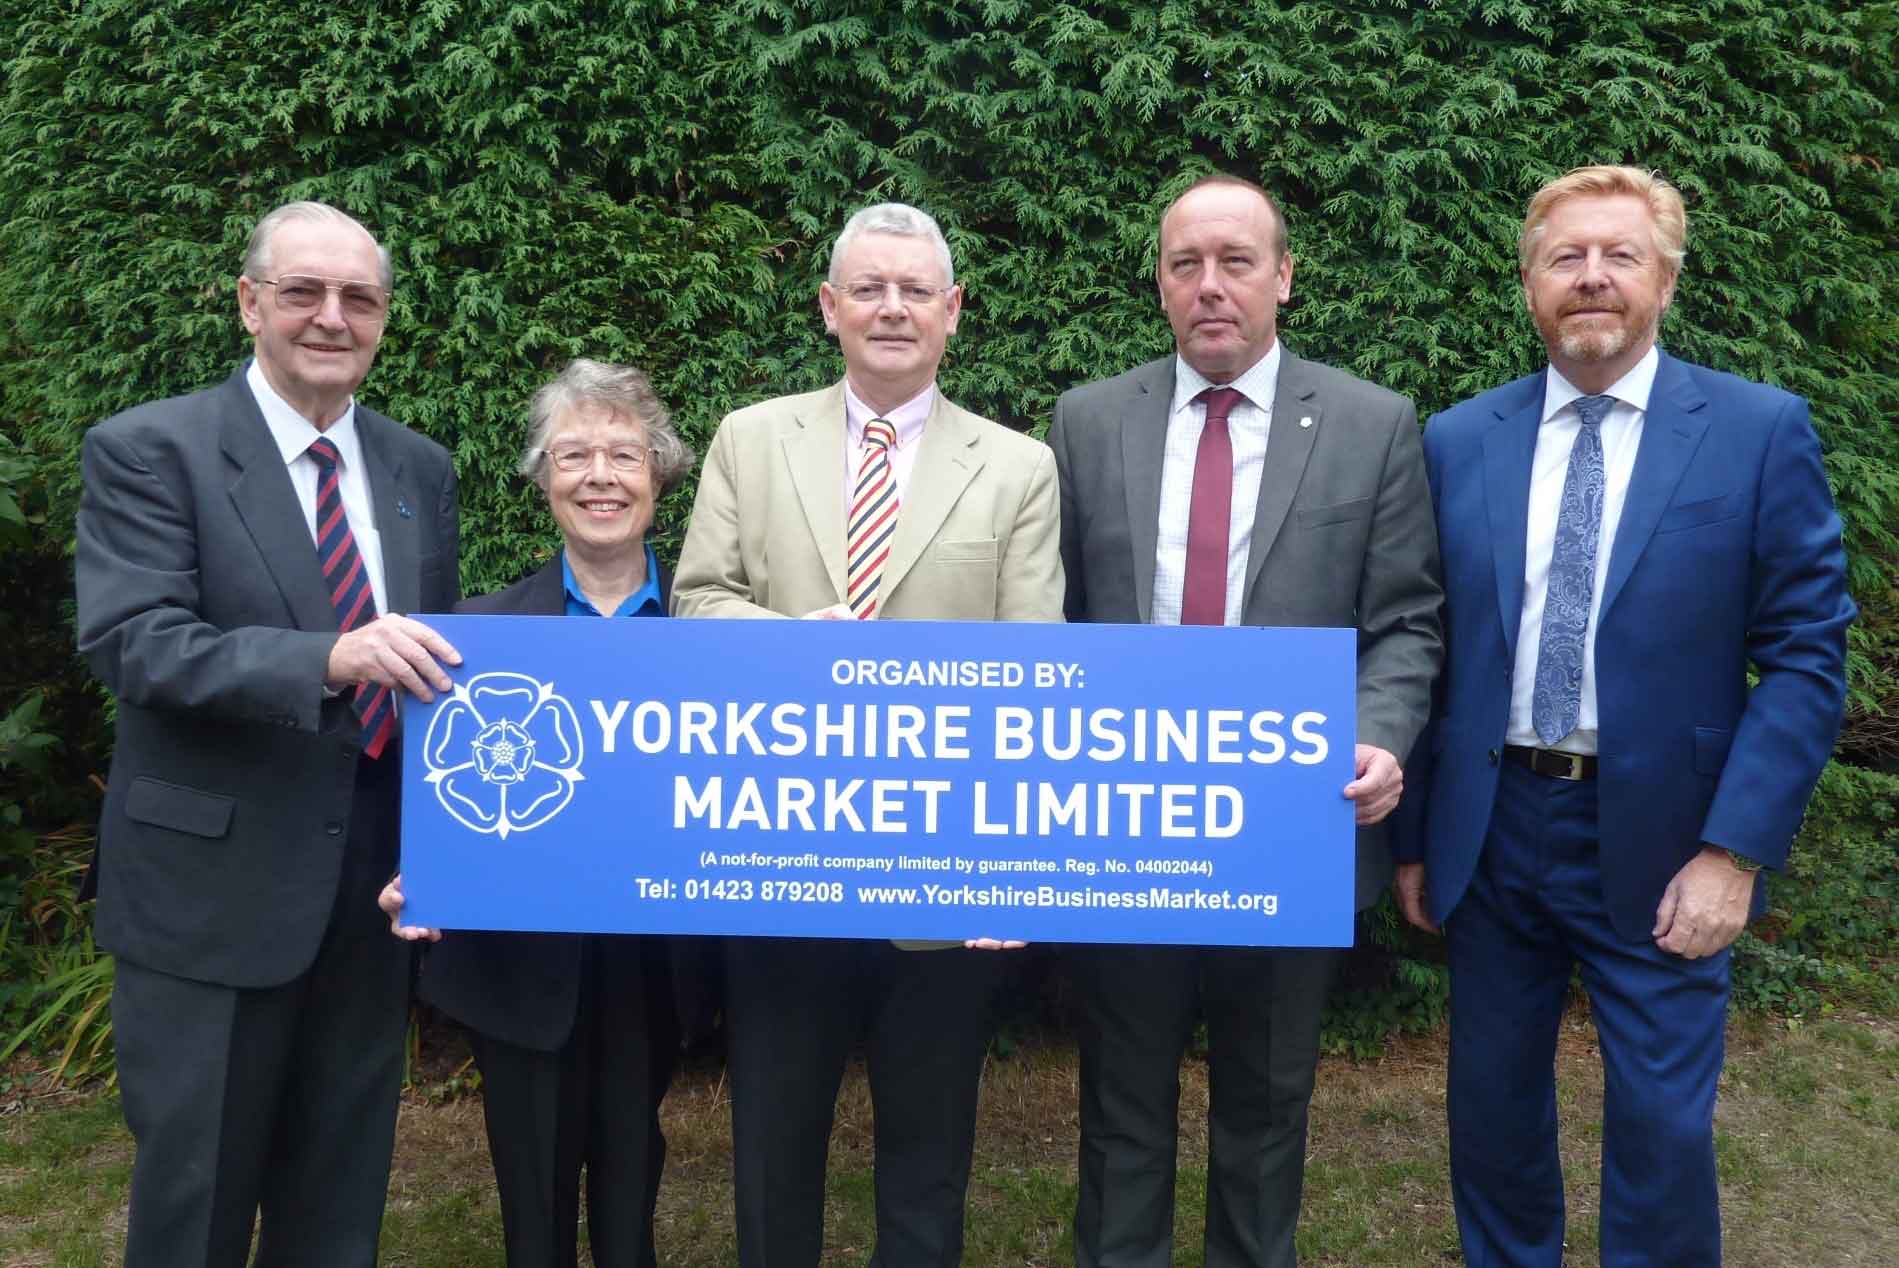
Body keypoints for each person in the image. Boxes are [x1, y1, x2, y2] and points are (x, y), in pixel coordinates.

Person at [1389, 165, 1855, 1267]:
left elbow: (1803, 654)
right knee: (1492, 1116)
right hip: (1494, 828)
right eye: (1566, 258)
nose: (1591, 278)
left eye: (1620, 256)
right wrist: (1413, 839)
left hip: (1666, 839)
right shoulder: (1459, 439)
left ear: (1666, 280)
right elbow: (1426, 640)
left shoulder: (1755, 432)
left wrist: (1734, 851)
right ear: (1529, 285)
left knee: (1663, 1126)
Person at [1047, 172, 1444, 1268]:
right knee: (1121, 1105)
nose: (1210, 285)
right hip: (1127, 832)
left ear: (1283, 276)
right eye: (1187, 264)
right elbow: (1056, 620)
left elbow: (1407, 620)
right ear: (1161, 284)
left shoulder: (1372, 423)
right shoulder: (1087, 422)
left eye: (1235, 261)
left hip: (1290, 829)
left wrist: (1381, 732)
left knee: (1267, 1109)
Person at [671, 201, 1064, 1267]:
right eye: (870, 288)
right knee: (771, 1156)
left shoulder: (1018, 465)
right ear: (829, 307)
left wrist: (1007, 869)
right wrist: (789, 639)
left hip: (939, 868)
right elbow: (697, 602)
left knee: (929, 1164)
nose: (893, 307)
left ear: (954, 312)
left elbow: (1034, 669)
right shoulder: (750, 439)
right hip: (781, 854)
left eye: (916, 289)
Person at [75, 200, 462, 1266]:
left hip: (370, 899)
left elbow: (435, 678)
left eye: (359, 298)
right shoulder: (151, 449)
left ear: (383, 318)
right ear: (251, 304)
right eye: (303, 292)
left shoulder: (419, 470)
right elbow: (135, 642)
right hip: (213, 897)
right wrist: (326, 657)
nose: (331, 317)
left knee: (338, 1207)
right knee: (194, 1206)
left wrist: (448, 852)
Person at [379, 359, 695, 1267]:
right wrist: (417, 869)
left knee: (635, 1168)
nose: (600, 476)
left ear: (658, 476)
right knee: (530, 1194)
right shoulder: (472, 635)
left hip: (651, 962)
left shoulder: (712, 629)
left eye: (624, 456)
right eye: (573, 456)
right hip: (516, 965)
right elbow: (428, 792)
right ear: (542, 479)